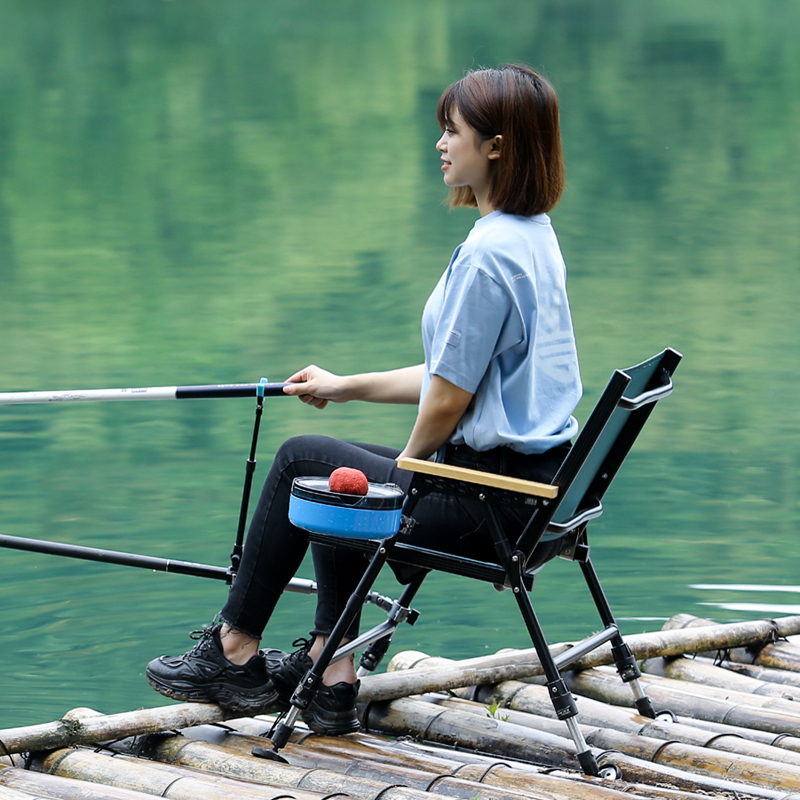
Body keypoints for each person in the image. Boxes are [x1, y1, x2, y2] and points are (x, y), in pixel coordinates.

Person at [146, 64, 581, 736]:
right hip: (530, 495)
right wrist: (344, 387)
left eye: (453, 130)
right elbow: (450, 377)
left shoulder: (489, 255)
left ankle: (234, 652)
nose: (440, 143)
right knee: (337, 467)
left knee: (303, 462)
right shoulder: (532, 236)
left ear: (496, 146)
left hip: (485, 502)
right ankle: (330, 670)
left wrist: (406, 472)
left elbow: (448, 401)